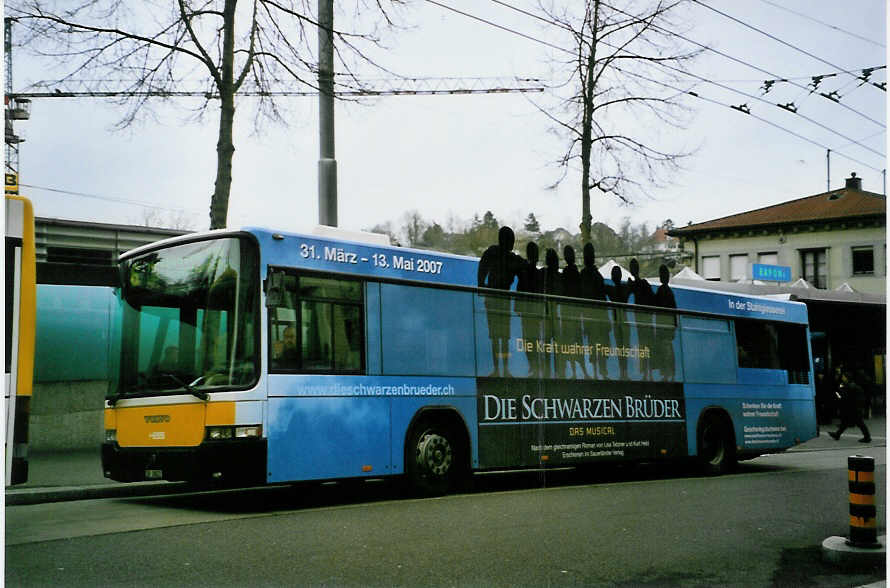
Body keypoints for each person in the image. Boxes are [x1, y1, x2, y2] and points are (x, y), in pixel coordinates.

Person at [477, 226, 525, 377]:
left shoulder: (496, 253)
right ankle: (501, 369)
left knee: (499, 336)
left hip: (496, 297)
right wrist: (482, 286)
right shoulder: (505, 256)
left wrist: (482, 286)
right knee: (500, 335)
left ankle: (500, 369)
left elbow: (481, 269)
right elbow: (482, 269)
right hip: (499, 298)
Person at [580, 243, 607, 378]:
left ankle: (598, 372)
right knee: (599, 347)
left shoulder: (585, 275)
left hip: (591, 318)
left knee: (595, 347)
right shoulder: (597, 276)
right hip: (598, 319)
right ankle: (601, 372)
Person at [517, 242, 544, 377]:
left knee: (529, 340)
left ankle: (534, 366)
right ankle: (536, 366)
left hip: (527, 312)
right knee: (535, 340)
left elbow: (520, 291)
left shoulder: (524, 272)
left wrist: (518, 308)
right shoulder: (539, 274)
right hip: (535, 312)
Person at [829, 366, 871, 443]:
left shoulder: (849, 386)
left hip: (853, 408)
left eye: (844, 377)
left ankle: (867, 437)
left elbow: (844, 397)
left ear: (847, 378)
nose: (842, 378)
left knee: (860, 423)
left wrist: (837, 394)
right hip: (853, 407)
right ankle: (837, 434)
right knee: (847, 422)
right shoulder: (850, 385)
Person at [653, 265, 677, 381]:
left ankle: (667, 374)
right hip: (667, 328)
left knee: (666, 352)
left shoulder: (663, 291)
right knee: (667, 352)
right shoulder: (668, 291)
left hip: (664, 329)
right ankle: (669, 374)